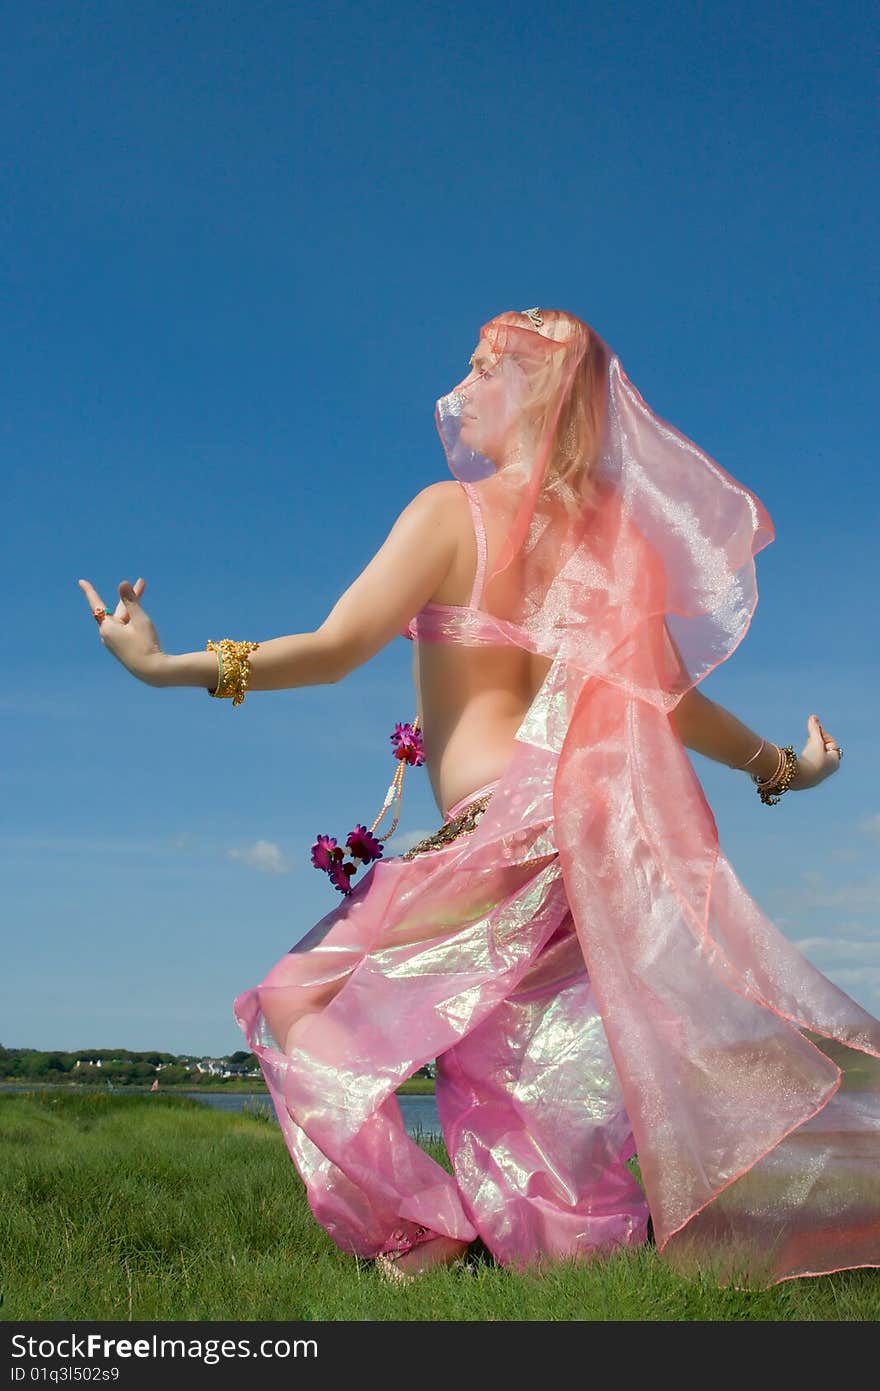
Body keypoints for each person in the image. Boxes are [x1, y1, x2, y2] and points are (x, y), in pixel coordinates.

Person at [78, 307, 880, 1290]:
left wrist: (161, 666)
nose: (459, 388)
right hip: (587, 830)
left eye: (483, 367)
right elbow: (674, 706)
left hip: (505, 824)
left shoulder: (446, 513)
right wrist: (789, 770)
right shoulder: (608, 549)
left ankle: (428, 1227)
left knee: (295, 1001)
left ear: (530, 389)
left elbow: (332, 651)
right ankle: (565, 1252)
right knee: (506, 1064)